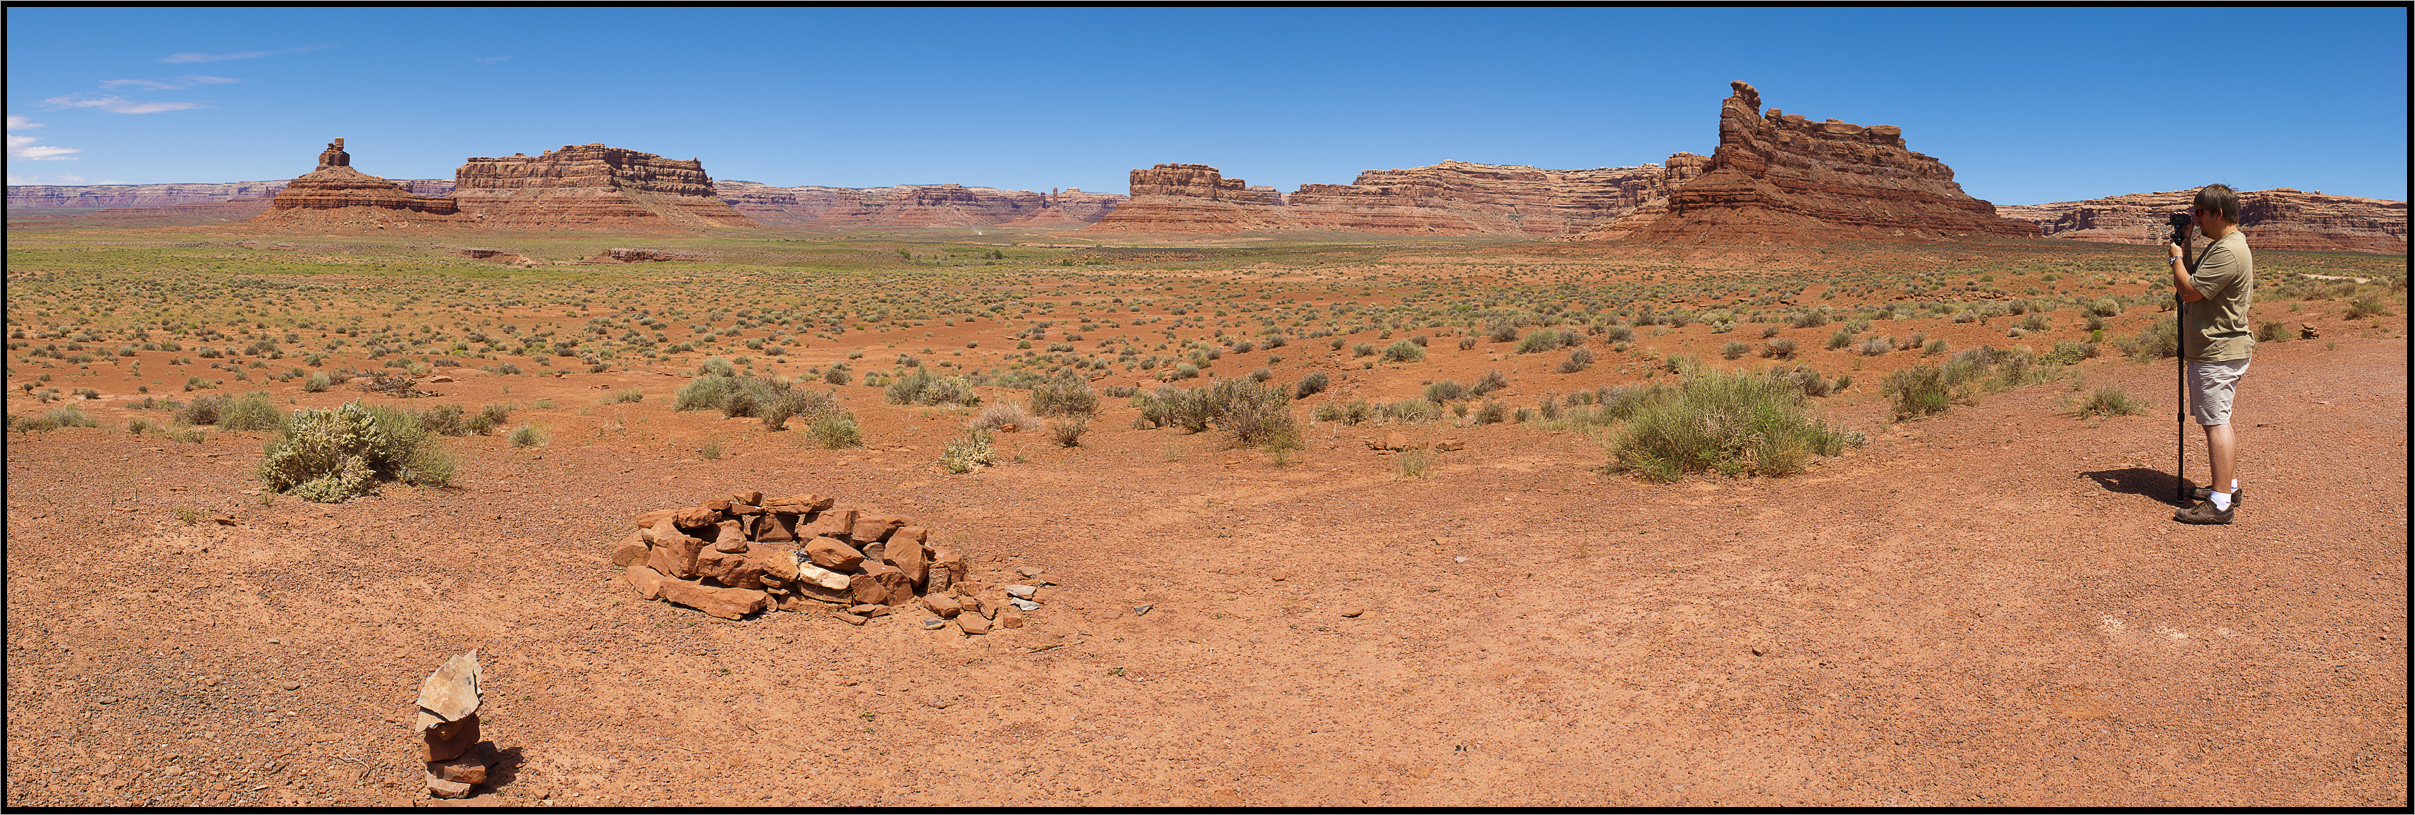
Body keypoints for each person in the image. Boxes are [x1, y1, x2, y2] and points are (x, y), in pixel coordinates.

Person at [2167, 183, 2253, 524]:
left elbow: (2188, 291)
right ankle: (2226, 487)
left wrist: (2174, 257)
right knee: (2218, 419)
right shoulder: (2225, 245)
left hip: (2217, 350)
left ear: (2218, 213)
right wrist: (2185, 248)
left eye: (2200, 213)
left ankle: (2220, 505)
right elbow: (2195, 282)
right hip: (2218, 347)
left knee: (2215, 422)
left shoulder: (2227, 251)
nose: (2196, 220)